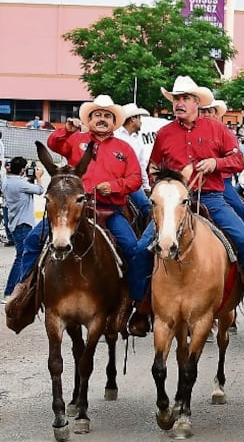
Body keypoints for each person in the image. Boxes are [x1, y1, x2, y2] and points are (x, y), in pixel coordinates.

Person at [126, 76, 244, 337]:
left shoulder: (217, 129)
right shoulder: (164, 133)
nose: (179, 103)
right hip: (174, 202)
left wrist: (215, 164)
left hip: (210, 197)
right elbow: (153, 167)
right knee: (141, 248)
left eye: (185, 98)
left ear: (197, 102)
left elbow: (237, 159)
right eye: (176, 99)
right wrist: (162, 180)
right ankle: (141, 307)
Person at [9, 96, 143, 306]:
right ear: (89, 120)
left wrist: (114, 186)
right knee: (32, 240)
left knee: (133, 248)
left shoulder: (124, 148)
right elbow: (53, 143)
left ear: (113, 121)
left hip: (109, 210)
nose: (102, 119)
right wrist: (67, 130)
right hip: (70, 209)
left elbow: (135, 179)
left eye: (107, 116)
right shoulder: (76, 139)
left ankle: (134, 299)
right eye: (97, 114)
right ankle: (24, 290)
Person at [200, 99, 244, 223]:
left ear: (216, 114)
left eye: (209, 111)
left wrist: (216, 163)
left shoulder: (225, 132)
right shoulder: (193, 132)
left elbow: (237, 158)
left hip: (220, 180)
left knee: (239, 207)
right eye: (203, 111)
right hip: (194, 182)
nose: (206, 115)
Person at [3, 157, 43, 299]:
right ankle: (9, 292)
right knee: (21, 257)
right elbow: (40, 190)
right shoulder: (20, 184)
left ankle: (22, 287)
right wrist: (38, 177)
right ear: (22, 170)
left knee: (23, 256)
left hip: (15, 223)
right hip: (23, 225)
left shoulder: (7, 181)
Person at [116, 102, 153, 223]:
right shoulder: (116, 136)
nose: (141, 121)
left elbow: (141, 166)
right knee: (147, 207)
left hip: (132, 182)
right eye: (139, 118)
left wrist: (146, 186)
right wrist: (146, 187)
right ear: (133, 119)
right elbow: (141, 166)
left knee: (148, 207)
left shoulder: (137, 140)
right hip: (119, 182)